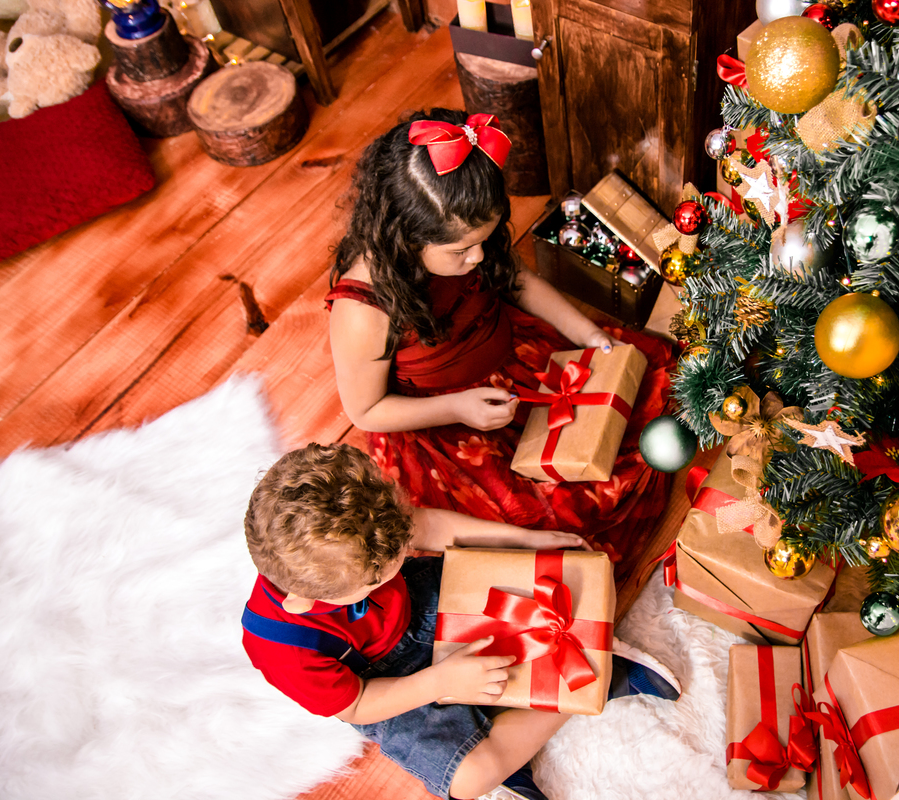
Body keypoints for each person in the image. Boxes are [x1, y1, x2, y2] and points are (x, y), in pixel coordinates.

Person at [325, 108, 676, 578]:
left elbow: (517, 281)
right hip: (442, 420)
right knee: (548, 517)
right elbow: (365, 412)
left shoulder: (473, 246)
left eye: (486, 242)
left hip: (514, 362)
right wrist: (459, 408)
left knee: (636, 400)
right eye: (460, 251)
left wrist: (585, 333)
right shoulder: (364, 308)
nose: (478, 258)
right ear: (405, 236)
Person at [241, 443, 681, 800]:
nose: (403, 556)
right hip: (383, 688)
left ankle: (544, 691)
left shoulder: (365, 521)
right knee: (470, 778)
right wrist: (440, 681)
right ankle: (595, 682)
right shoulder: (283, 650)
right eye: (379, 578)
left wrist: (525, 541)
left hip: (423, 603)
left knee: (544, 605)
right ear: (305, 601)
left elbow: (430, 528)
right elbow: (358, 704)